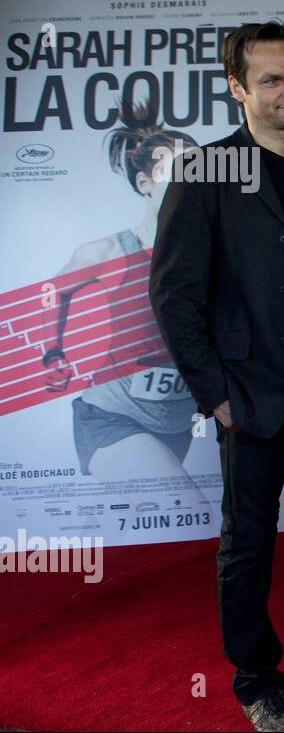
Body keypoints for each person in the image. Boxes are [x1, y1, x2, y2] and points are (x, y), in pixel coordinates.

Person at [150, 21, 284, 731]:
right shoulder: (206, 172)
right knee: (249, 541)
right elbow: (173, 293)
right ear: (237, 90)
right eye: (271, 79)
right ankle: (257, 681)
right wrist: (216, 395)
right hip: (250, 393)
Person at [41, 95, 209, 531]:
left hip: (176, 420)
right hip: (111, 416)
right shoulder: (110, 251)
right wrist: (52, 353)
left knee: (163, 526)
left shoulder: (208, 255)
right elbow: (49, 294)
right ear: (144, 183)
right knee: (187, 511)